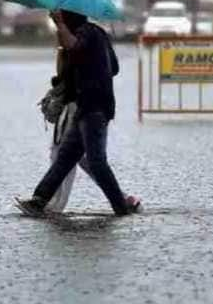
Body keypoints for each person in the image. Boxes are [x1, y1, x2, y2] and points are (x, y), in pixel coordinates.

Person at [16, 10, 137, 216]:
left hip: (95, 108)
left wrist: (60, 26)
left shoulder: (86, 34)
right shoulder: (97, 33)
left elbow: (76, 48)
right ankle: (39, 201)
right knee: (64, 158)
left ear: (70, 19)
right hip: (85, 108)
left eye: (64, 18)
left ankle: (121, 206)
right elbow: (113, 67)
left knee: (96, 162)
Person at [43, 48, 141, 213]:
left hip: (82, 110)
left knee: (64, 155)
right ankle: (123, 199)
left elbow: (72, 82)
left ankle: (52, 205)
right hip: (83, 110)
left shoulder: (82, 46)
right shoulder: (75, 46)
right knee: (80, 159)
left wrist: (61, 88)